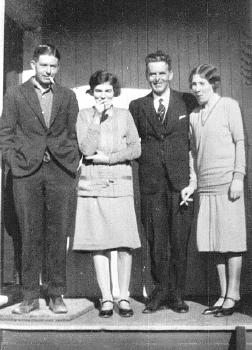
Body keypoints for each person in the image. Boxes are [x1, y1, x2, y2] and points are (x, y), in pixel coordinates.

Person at [0, 44, 80, 314]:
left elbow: (73, 133)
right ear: (34, 64)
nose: (49, 71)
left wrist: (71, 161)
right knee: (29, 233)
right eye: (44, 65)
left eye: (53, 66)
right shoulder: (15, 94)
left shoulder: (67, 96)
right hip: (25, 172)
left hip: (59, 171)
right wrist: (12, 159)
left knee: (58, 233)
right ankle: (30, 295)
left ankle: (56, 293)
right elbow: (6, 132)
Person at [129, 50, 197, 314]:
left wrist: (192, 178)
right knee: (156, 242)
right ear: (147, 76)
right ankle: (159, 293)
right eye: (152, 73)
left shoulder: (187, 102)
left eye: (161, 73)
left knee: (179, 241)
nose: (157, 78)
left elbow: (195, 141)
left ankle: (177, 295)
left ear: (170, 74)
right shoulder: (138, 106)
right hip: (152, 186)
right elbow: (133, 145)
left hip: (182, 185)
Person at [72, 70, 141, 318]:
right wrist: (97, 118)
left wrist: (109, 158)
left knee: (124, 245)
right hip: (94, 187)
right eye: (98, 91)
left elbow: (136, 148)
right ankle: (106, 297)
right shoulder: (83, 116)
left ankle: (123, 295)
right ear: (92, 92)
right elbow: (86, 149)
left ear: (115, 93)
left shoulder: (125, 115)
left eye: (108, 91)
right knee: (98, 244)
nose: (103, 95)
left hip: (120, 185)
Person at [182, 63, 246, 317]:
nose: (196, 89)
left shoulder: (229, 106)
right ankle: (223, 294)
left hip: (228, 183)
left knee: (231, 242)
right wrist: (193, 183)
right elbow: (193, 153)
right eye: (193, 84)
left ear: (213, 84)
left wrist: (238, 177)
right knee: (214, 243)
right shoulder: (195, 116)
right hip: (206, 187)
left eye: (201, 84)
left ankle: (234, 293)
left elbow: (240, 142)